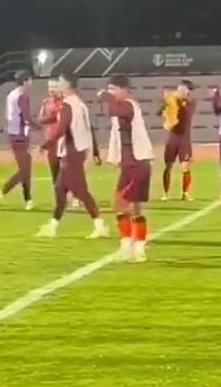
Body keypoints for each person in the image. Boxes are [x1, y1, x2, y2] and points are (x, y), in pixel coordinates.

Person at [36, 73, 108, 239]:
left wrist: (45, 145)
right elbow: (87, 128)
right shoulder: (79, 104)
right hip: (77, 150)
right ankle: (52, 226)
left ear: (68, 84)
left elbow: (61, 129)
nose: (58, 85)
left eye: (60, 82)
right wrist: (94, 151)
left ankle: (99, 224)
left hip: (72, 152)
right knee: (61, 189)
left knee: (80, 191)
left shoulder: (68, 105)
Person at [98, 75, 154, 263]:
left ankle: (131, 245)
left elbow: (116, 110)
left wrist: (106, 97)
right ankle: (135, 247)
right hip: (129, 163)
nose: (111, 93)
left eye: (114, 89)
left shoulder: (129, 105)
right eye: (109, 89)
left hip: (138, 162)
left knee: (121, 204)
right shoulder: (120, 107)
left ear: (125, 89)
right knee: (133, 207)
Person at [0, 70, 39, 210]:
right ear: (25, 81)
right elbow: (26, 118)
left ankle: (28, 199)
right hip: (20, 135)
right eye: (30, 80)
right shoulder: (22, 96)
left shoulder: (12, 94)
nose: (31, 83)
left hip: (14, 134)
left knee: (25, 168)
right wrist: (40, 126)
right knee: (25, 170)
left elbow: (11, 115)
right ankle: (3, 192)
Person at [160, 80, 196, 201]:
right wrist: (165, 103)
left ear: (188, 91)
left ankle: (185, 193)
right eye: (179, 89)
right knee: (168, 165)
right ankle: (165, 193)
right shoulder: (172, 100)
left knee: (185, 167)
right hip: (173, 137)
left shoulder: (191, 103)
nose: (180, 91)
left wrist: (174, 101)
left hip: (184, 139)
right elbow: (162, 111)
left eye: (183, 89)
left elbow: (185, 112)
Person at [37, 78, 64, 185]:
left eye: (54, 87)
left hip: (63, 141)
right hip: (51, 142)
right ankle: (58, 194)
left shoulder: (65, 102)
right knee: (55, 174)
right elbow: (41, 119)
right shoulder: (47, 102)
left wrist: (55, 117)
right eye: (50, 87)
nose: (51, 89)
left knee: (67, 173)